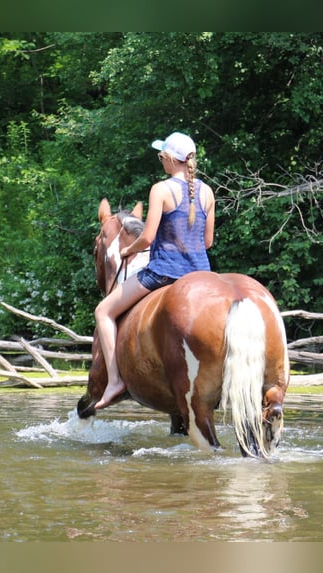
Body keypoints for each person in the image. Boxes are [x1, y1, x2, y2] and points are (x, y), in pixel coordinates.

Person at [94, 131, 216, 409]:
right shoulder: (207, 192)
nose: (160, 161)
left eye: (161, 156)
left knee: (103, 311)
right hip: (200, 275)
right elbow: (207, 242)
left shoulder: (161, 189)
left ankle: (114, 381)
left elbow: (147, 237)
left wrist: (128, 250)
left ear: (171, 159)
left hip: (164, 272)